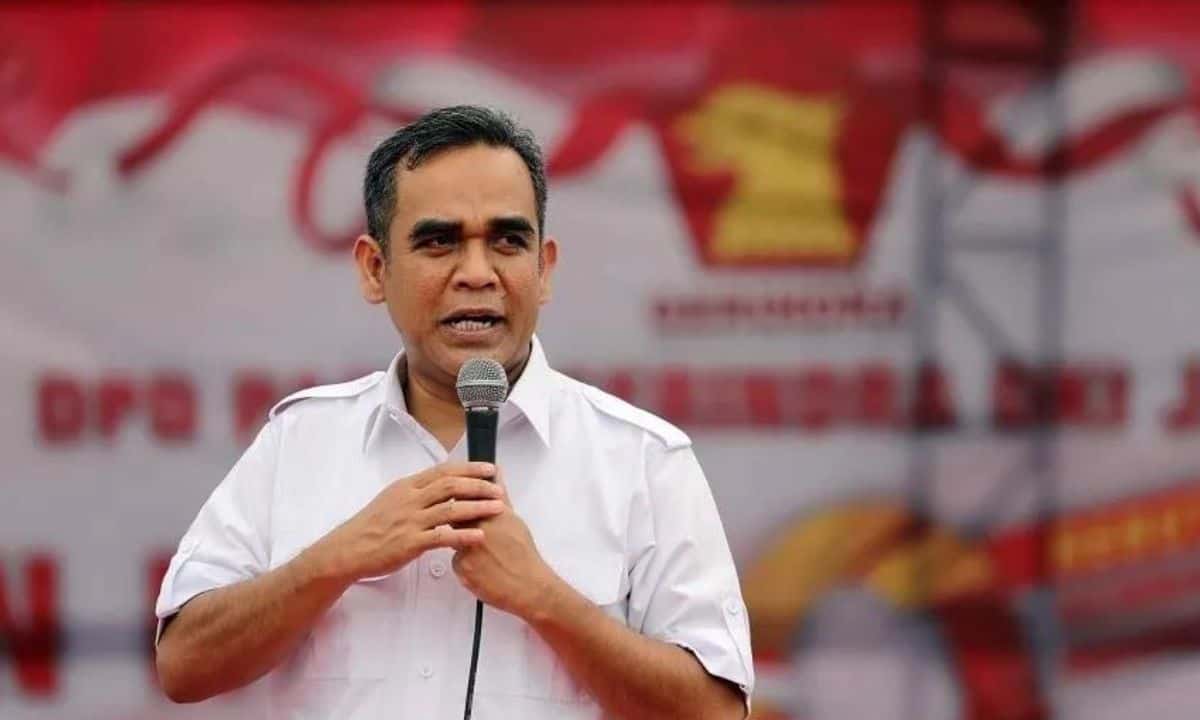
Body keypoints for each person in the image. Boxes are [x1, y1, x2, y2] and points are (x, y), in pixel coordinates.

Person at [154, 105, 754, 719]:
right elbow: (182, 663)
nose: (476, 274)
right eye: (439, 241)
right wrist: (336, 559)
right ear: (375, 270)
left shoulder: (642, 460)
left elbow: (716, 712)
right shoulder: (301, 441)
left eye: (507, 241)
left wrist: (545, 598)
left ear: (543, 269)